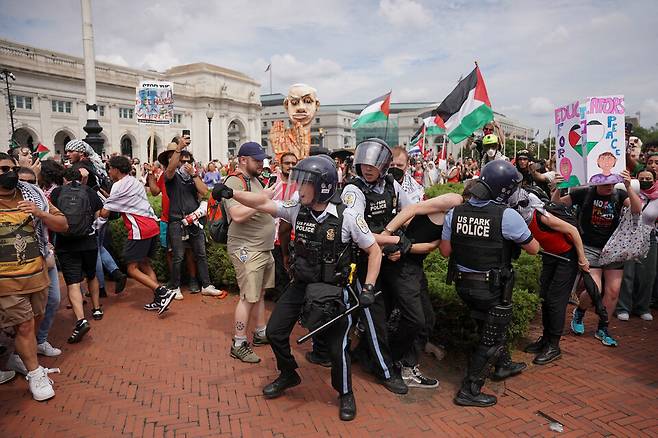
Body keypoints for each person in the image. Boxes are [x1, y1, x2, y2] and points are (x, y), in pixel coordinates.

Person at [212, 154, 382, 421]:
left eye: (305, 183)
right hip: (301, 283)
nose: (298, 188)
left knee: (338, 348)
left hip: (334, 289)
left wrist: (368, 287)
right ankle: (289, 373)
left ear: (323, 186)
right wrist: (230, 192)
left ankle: (345, 393)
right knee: (276, 332)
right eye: (299, 182)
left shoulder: (347, 217)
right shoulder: (296, 207)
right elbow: (266, 204)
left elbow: (374, 251)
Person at [440, 160, 540, 407]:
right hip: (492, 289)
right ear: (504, 190)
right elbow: (534, 249)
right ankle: (469, 390)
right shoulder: (507, 216)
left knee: (489, 326)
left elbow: (445, 252)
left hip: (463, 286)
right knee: (491, 339)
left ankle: (503, 365)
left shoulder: (455, 212)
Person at [341, 138, 415, 395]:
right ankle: (385, 371)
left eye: (373, 164)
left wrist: (398, 233)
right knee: (374, 319)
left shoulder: (392, 184)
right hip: (363, 263)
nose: (367, 168)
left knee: (401, 312)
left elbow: (410, 209)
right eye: (363, 163)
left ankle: (362, 353)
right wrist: (393, 241)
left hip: (389, 259)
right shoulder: (353, 190)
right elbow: (358, 229)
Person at [0, 152, 68, 400]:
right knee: (25, 325)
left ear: (15, 169)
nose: (2, 174)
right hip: (7, 282)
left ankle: (19, 358)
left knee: (35, 320)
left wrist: (40, 214)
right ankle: (35, 374)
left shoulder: (33, 195)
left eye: (6, 168)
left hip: (37, 276)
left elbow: (62, 224)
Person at [382, 192, 464, 388]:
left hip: (414, 266)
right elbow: (412, 209)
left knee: (427, 320)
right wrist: (388, 235)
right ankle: (389, 362)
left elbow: (435, 248)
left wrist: (405, 247)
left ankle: (405, 366)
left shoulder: (462, 217)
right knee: (415, 319)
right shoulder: (455, 201)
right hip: (401, 266)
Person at [553, 169, 641, 346]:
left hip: (614, 248)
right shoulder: (584, 193)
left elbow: (637, 209)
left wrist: (628, 187)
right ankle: (580, 311)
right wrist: (557, 188)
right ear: (595, 181)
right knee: (594, 289)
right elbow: (556, 206)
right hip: (590, 247)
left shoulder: (619, 194)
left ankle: (603, 328)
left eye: (612, 182)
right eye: (605, 183)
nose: (609, 186)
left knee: (613, 291)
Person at [507, 187, 590, 364]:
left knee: (556, 301)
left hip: (567, 257)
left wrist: (582, 259)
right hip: (552, 256)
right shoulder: (520, 219)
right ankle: (545, 339)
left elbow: (572, 231)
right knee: (544, 297)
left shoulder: (542, 216)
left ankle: (554, 345)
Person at [98, 156, 176, 314]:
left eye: (110, 168)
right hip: (151, 225)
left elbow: (106, 212)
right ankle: (159, 299)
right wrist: (109, 198)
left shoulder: (118, 186)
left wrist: (100, 211)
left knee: (131, 269)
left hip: (139, 229)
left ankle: (162, 291)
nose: (109, 171)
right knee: (145, 264)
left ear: (116, 170)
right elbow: (123, 201)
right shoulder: (135, 181)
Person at [223, 142, 275, 363]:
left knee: (259, 293)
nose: (261, 164)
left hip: (261, 247)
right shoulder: (234, 181)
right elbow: (237, 215)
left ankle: (261, 331)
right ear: (243, 159)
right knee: (247, 297)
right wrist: (264, 199)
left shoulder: (254, 179)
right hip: (246, 249)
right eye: (257, 160)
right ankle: (239, 342)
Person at [163, 136, 223, 299]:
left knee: (201, 254)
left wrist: (194, 175)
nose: (185, 164)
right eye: (181, 161)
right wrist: (178, 149)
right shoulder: (170, 176)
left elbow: (204, 192)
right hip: (176, 220)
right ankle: (175, 287)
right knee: (178, 256)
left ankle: (206, 285)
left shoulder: (192, 176)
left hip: (194, 220)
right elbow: (169, 171)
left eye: (187, 161)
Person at [51, 168, 104, 342]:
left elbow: (53, 216)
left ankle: (81, 320)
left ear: (64, 178)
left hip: (66, 244)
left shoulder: (57, 192)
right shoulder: (89, 192)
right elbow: (98, 216)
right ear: (81, 178)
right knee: (91, 275)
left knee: (73, 282)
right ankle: (96, 308)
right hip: (88, 241)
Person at [18, 167, 62, 357]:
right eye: (22, 182)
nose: (27, 186)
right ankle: (20, 354)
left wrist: (41, 213)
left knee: (53, 300)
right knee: (22, 315)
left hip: (43, 258)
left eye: (32, 182)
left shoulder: (41, 200)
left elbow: (62, 223)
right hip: (17, 266)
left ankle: (40, 341)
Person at [150, 141, 202, 297]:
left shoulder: (185, 174)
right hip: (167, 218)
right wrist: (151, 178)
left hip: (184, 218)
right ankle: (175, 282)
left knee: (189, 251)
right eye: (171, 155)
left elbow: (201, 192)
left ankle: (193, 280)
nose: (175, 157)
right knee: (171, 253)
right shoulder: (167, 173)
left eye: (177, 154)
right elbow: (154, 192)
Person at [616, 169, 657, 321]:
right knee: (628, 273)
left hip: (649, 236)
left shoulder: (657, 197)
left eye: (649, 178)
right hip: (627, 236)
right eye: (642, 178)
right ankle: (623, 307)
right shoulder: (624, 193)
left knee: (647, 274)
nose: (646, 180)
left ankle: (642, 307)